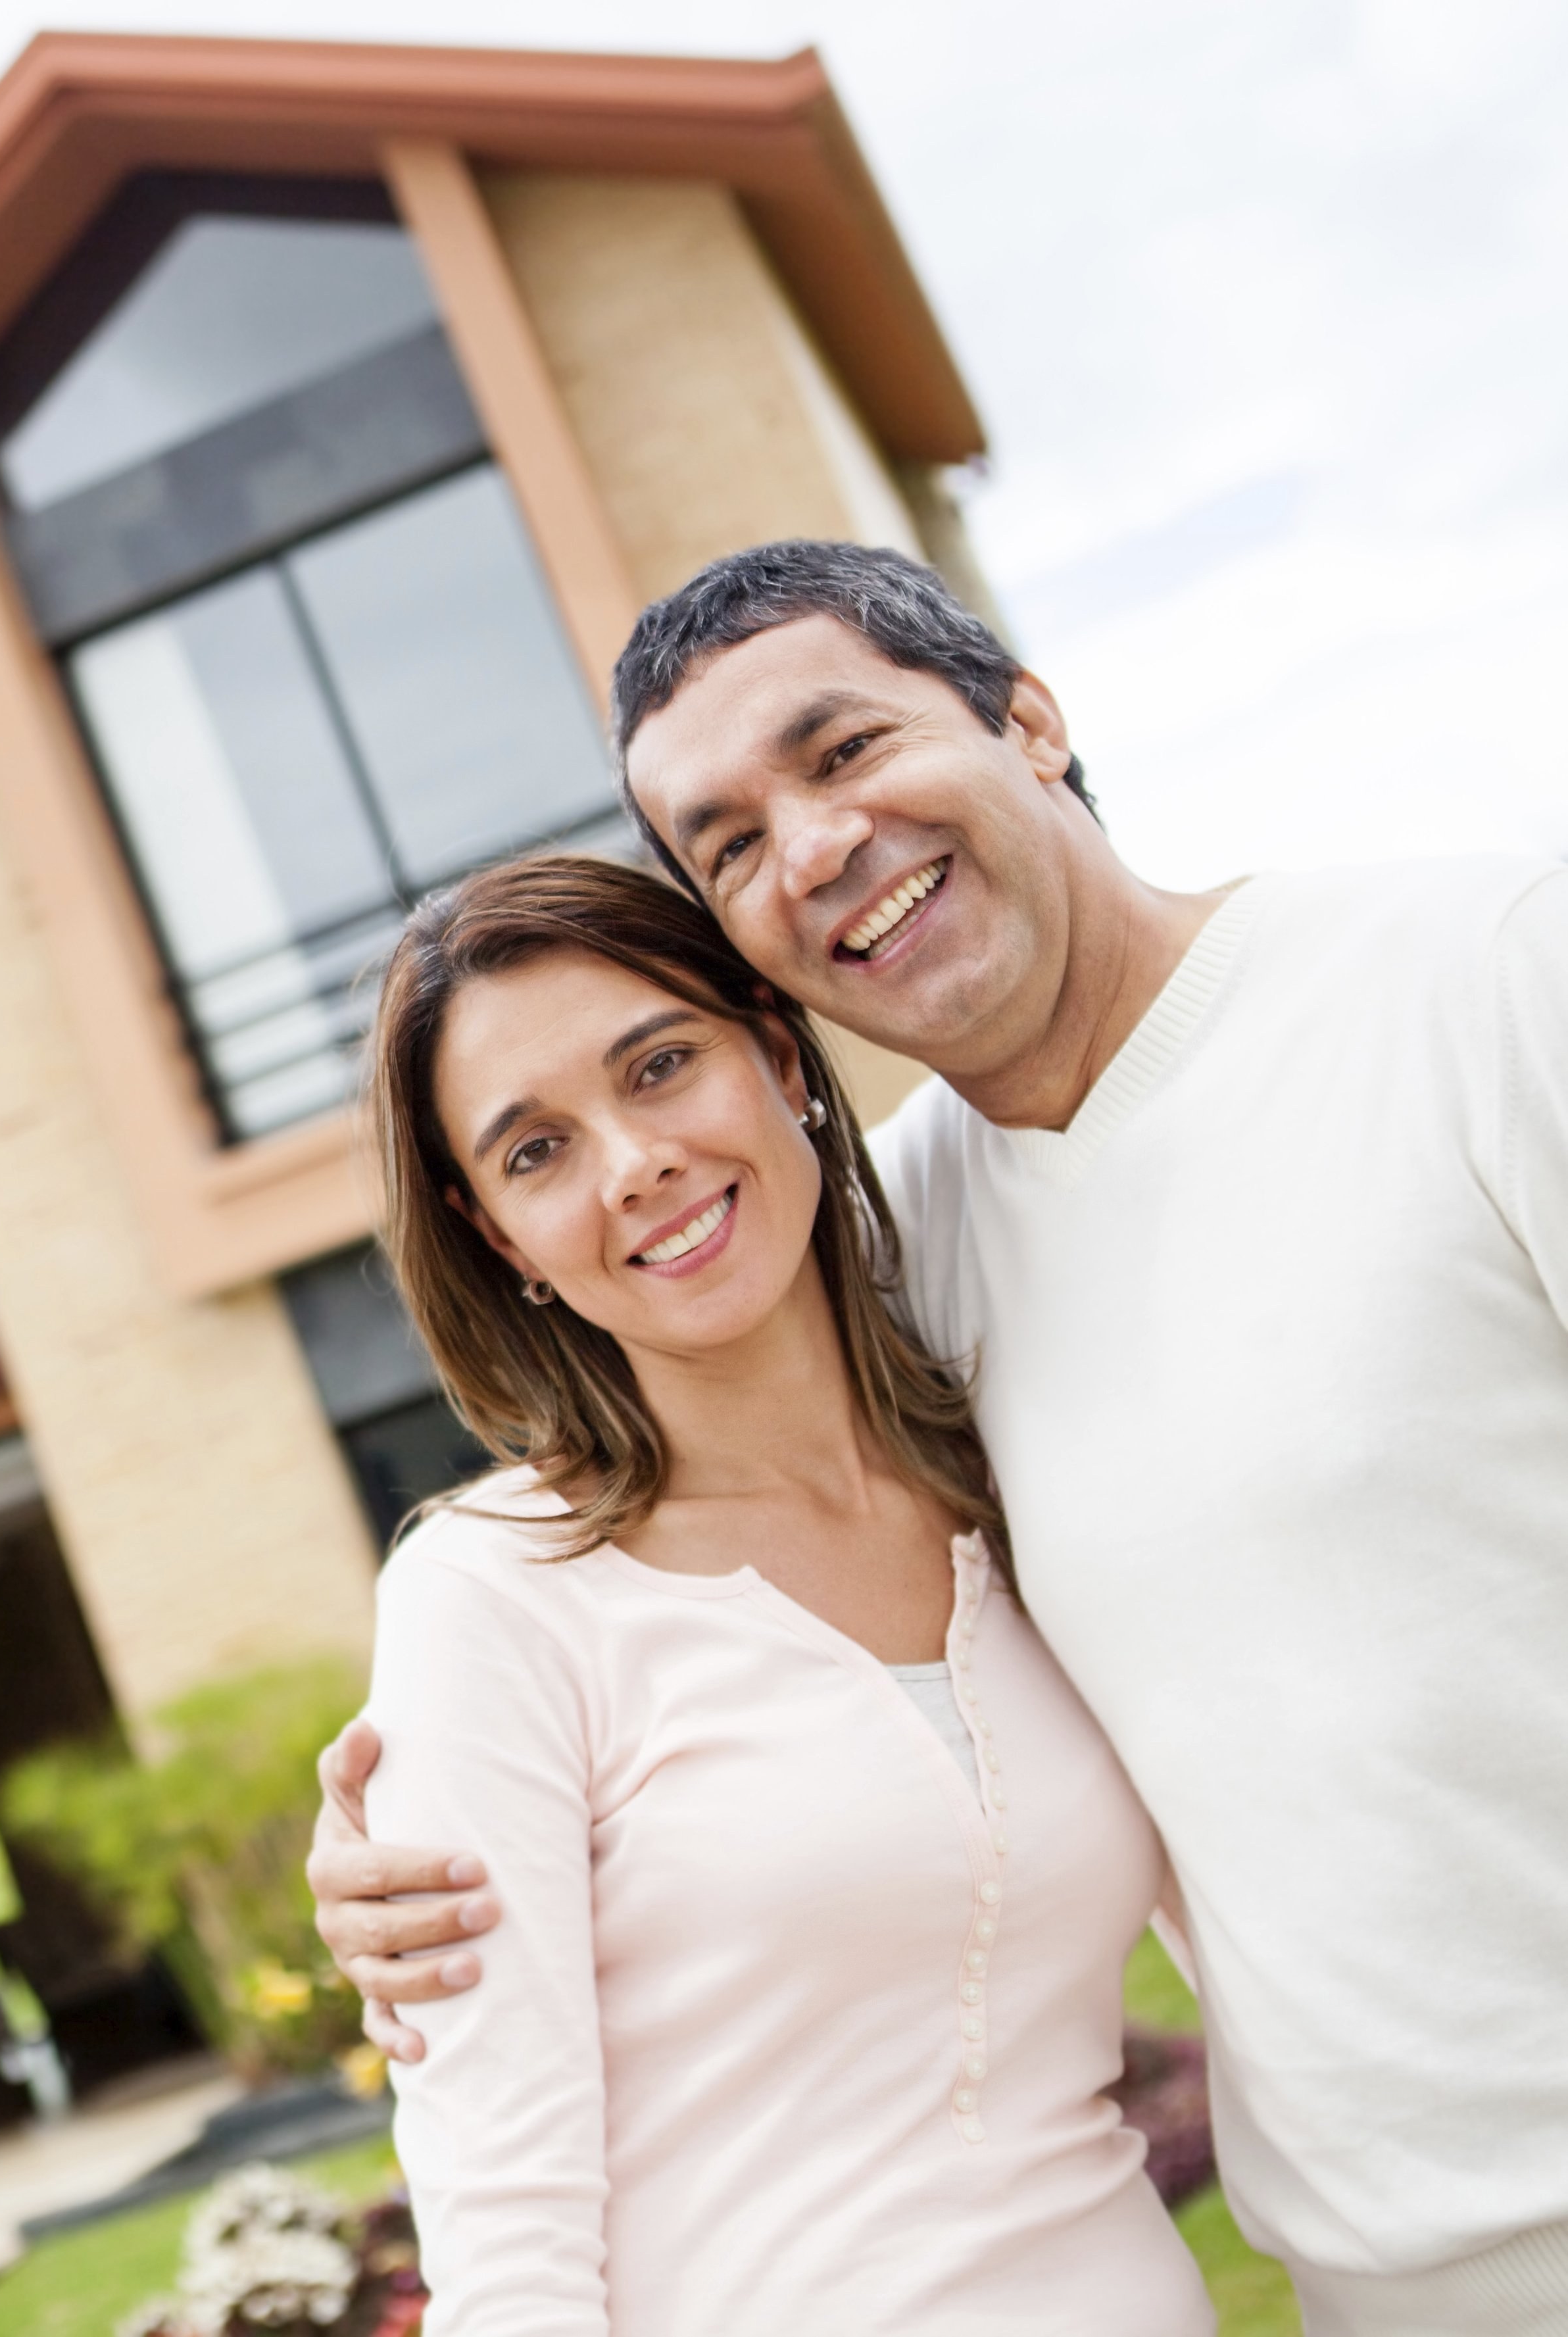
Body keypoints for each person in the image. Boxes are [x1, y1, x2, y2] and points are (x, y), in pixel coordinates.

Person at [311, 541, 1568, 2334]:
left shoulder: (1477, 979)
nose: (812, 847)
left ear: (1030, 721)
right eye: (728, 842)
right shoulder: (899, 1257)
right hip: (1384, 2270)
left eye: (840, 750)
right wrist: (416, 1841)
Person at [358, 851, 1210, 2332]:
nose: (632, 1163)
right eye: (536, 1151)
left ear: (776, 1049)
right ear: (498, 1235)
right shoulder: (491, 1600)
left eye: (661, 1064)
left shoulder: (1020, 1476)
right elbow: (504, 2222)